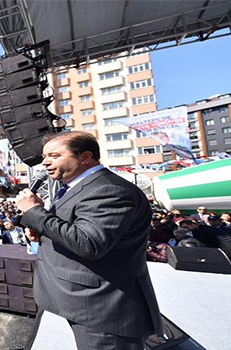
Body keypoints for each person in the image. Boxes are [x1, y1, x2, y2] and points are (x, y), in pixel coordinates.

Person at [15, 131, 163, 349]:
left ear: (85, 157)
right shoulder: (80, 187)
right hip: (82, 301)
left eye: (54, 156)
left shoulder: (109, 190)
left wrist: (35, 212)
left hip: (102, 309)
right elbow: (76, 229)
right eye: (45, 156)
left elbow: (89, 243)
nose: (45, 162)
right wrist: (43, 231)